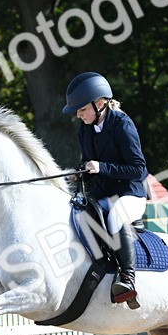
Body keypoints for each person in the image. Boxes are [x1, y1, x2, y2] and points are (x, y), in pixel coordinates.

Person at [62, 71, 147, 307]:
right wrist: (79, 173)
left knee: (116, 216)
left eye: (82, 110)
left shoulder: (122, 124)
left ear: (99, 104)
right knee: (77, 215)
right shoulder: (85, 128)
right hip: (102, 194)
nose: (78, 115)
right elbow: (89, 163)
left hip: (130, 193)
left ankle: (127, 279)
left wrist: (102, 167)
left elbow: (139, 170)